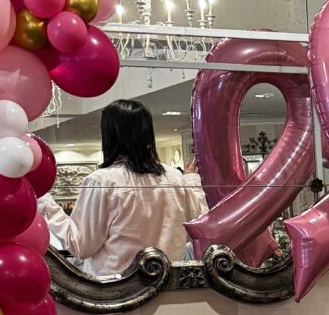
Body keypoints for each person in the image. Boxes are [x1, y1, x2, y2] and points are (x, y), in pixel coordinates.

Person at [38, 99, 206, 277]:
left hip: (118, 292)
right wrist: (192, 180)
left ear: (109, 134)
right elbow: (197, 223)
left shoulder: (103, 181)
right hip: (169, 288)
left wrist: (44, 201)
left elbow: (81, 245)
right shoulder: (174, 178)